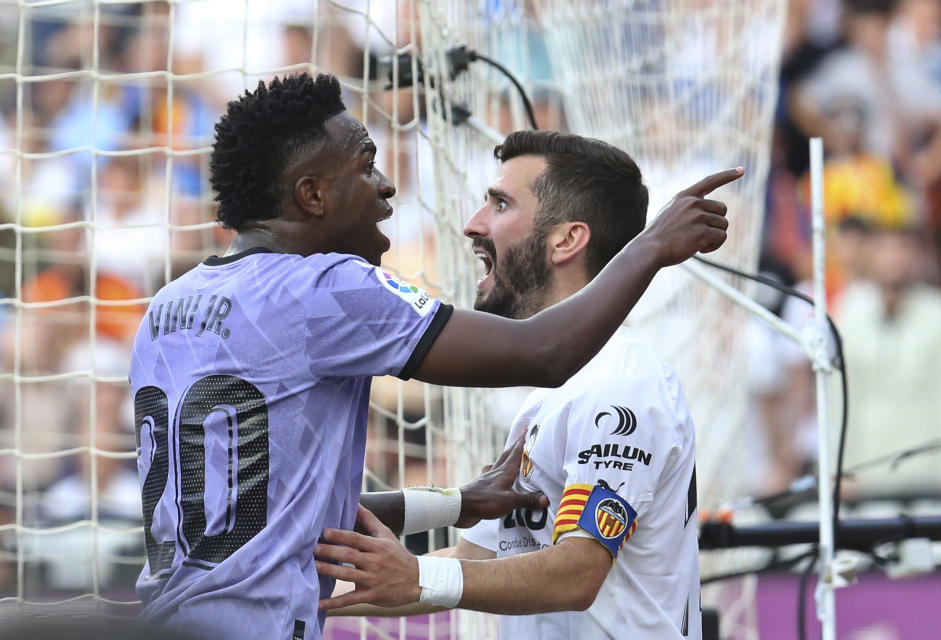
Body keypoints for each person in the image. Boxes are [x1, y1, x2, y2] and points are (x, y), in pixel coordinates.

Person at [129, 73, 739, 639]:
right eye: (367, 165)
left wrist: (454, 506)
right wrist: (653, 246)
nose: (388, 185)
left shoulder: (167, 308)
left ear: (566, 238)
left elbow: (269, 507)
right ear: (311, 195)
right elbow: (546, 352)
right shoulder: (326, 289)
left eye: (499, 204)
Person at [314, 130, 707, 639]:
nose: (473, 224)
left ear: (567, 239)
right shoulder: (552, 390)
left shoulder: (620, 380)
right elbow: (473, 557)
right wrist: (284, 597)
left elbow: (577, 573)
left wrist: (416, 577)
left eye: (500, 204)